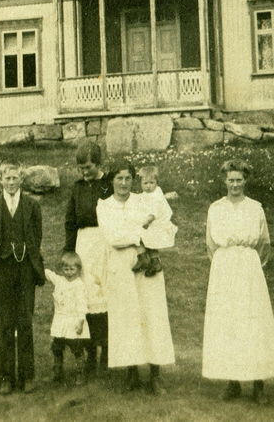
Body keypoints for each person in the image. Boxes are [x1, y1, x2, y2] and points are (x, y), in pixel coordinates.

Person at [202, 159, 274, 404]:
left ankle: (258, 384)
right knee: (228, 323)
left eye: (239, 180)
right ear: (224, 181)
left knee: (253, 323)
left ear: (245, 181)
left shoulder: (255, 207)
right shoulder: (215, 208)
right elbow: (210, 245)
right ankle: (232, 382)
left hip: (249, 267)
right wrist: (224, 263)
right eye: (230, 180)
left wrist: (249, 263)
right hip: (224, 268)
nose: (234, 184)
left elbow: (263, 244)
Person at [96, 163, 175, 394]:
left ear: (134, 180)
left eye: (128, 178)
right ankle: (131, 373)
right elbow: (113, 237)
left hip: (146, 267)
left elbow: (162, 223)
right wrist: (139, 233)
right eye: (119, 178)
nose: (123, 183)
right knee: (126, 319)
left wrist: (135, 232)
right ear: (111, 180)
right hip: (121, 267)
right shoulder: (104, 206)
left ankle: (155, 375)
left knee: (153, 316)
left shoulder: (143, 200)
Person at [0, 161, 45, 395]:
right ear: (0, 180)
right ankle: (6, 377)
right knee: (6, 325)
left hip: (26, 270)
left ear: (22, 180)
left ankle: (27, 376)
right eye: (7, 178)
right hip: (2, 272)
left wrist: (28, 255)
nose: (11, 182)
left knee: (25, 322)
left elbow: (37, 236)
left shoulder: (31, 206)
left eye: (15, 178)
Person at [63, 139, 113, 376]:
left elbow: (113, 208)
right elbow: (70, 221)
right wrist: (69, 250)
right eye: (81, 169)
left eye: (89, 168)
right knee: (88, 299)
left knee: (106, 298)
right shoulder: (77, 188)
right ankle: (91, 353)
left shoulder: (106, 185)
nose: (85, 172)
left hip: (105, 244)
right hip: (84, 245)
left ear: (98, 163)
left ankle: (108, 353)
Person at [45, 251, 91, 386]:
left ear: (78, 269)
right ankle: (57, 371)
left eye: (72, 269)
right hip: (60, 320)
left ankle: (80, 373)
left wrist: (80, 321)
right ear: (61, 269)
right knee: (57, 346)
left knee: (76, 347)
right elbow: (48, 274)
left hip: (74, 320)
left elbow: (82, 305)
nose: (69, 272)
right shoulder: (59, 281)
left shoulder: (79, 285)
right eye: (66, 269)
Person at [130, 164, 178, 277]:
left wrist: (146, 221)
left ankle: (143, 258)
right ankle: (155, 262)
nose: (148, 186)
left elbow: (154, 212)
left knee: (139, 235)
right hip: (153, 223)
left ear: (157, 182)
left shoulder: (156, 195)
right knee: (150, 243)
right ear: (140, 183)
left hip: (154, 222)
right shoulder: (147, 194)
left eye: (152, 183)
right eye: (145, 183)